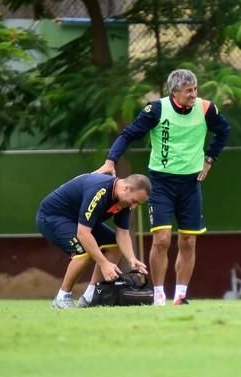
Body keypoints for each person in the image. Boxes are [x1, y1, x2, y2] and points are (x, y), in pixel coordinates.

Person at [95, 69, 230, 306]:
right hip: (161, 183)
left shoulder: (206, 108)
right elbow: (128, 134)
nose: (194, 94)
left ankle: (180, 295)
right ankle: (158, 295)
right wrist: (110, 160)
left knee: (188, 240)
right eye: (189, 91)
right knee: (162, 239)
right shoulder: (157, 109)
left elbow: (224, 130)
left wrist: (210, 159)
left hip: (191, 183)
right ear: (174, 92)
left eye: (195, 89)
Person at [36, 173, 151, 309]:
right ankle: (62, 297)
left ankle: (90, 297)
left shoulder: (124, 201)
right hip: (52, 218)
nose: (135, 205)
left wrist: (131, 258)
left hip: (76, 221)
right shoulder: (100, 192)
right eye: (135, 201)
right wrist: (103, 263)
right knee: (83, 253)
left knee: (114, 246)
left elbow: (122, 232)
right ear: (126, 188)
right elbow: (83, 233)